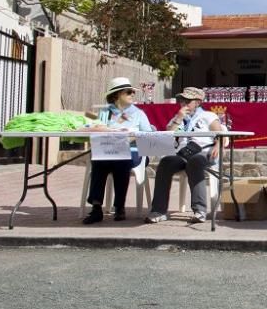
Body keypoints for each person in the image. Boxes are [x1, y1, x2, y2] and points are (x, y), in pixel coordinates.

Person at [145, 87, 224, 224]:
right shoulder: (178, 117)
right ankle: (158, 210)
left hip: (203, 152)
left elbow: (220, 134)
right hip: (182, 153)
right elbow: (167, 134)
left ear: (198, 102)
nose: (183, 103)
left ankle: (200, 210)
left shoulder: (208, 116)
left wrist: (217, 146)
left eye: (188, 101)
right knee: (165, 163)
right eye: (182, 100)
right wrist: (179, 117)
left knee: (195, 162)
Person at [81, 77, 153, 224]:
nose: (133, 94)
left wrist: (132, 136)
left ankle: (119, 206)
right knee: (98, 160)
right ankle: (96, 207)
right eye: (129, 92)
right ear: (117, 95)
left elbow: (149, 134)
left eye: (133, 92)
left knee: (122, 160)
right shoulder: (105, 112)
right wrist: (105, 129)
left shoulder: (138, 113)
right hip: (108, 150)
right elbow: (94, 127)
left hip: (131, 151)